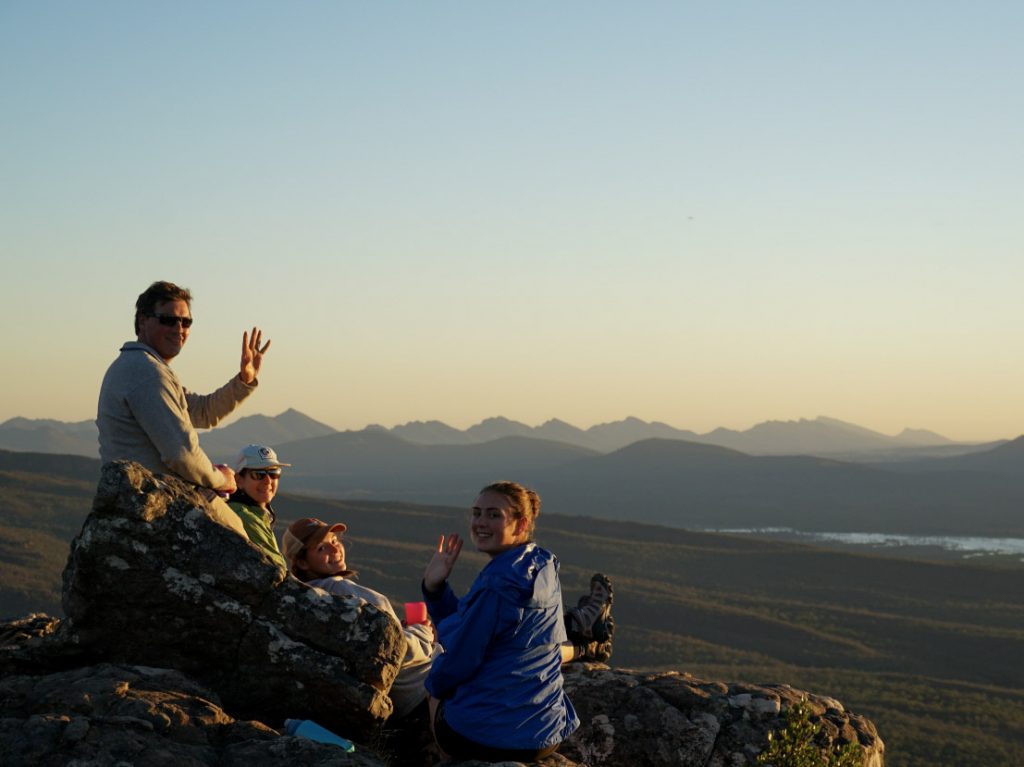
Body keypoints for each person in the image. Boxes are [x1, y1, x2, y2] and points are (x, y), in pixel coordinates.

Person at [421, 481, 606, 762]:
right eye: (477, 513)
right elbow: (471, 627)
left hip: (487, 740)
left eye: (494, 515)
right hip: (546, 736)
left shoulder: (496, 585)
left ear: (520, 525)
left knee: (434, 691)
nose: (481, 522)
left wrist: (433, 681)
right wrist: (436, 589)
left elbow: (460, 660)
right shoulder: (543, 564)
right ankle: (584, 637)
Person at [97, 280, 271, 539]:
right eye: (168, 320)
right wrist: (221, 479)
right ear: (143, 321)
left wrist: (244, 380)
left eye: (186, 322)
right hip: (159, 503)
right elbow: (181, 454)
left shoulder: (144, 367)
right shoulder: (147, 373)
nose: (179, 329)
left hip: (146, 499)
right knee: (244, 542)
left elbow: (201, 412)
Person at [282, 517, 439, 720]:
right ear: (302, 562)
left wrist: (401, 629)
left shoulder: (314, 600)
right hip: (423, 689)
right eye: (321, 548)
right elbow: (397, 651)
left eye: (334, 541)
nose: (335, 549)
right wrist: (422, 632)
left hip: (408, 700)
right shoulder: (341, 590)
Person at [226, 444, 290, 570]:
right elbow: (277, 567)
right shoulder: (244, 516)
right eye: (258, 474)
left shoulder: (258, 514)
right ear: (239, 480)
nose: (268, 480)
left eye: (274, 473)